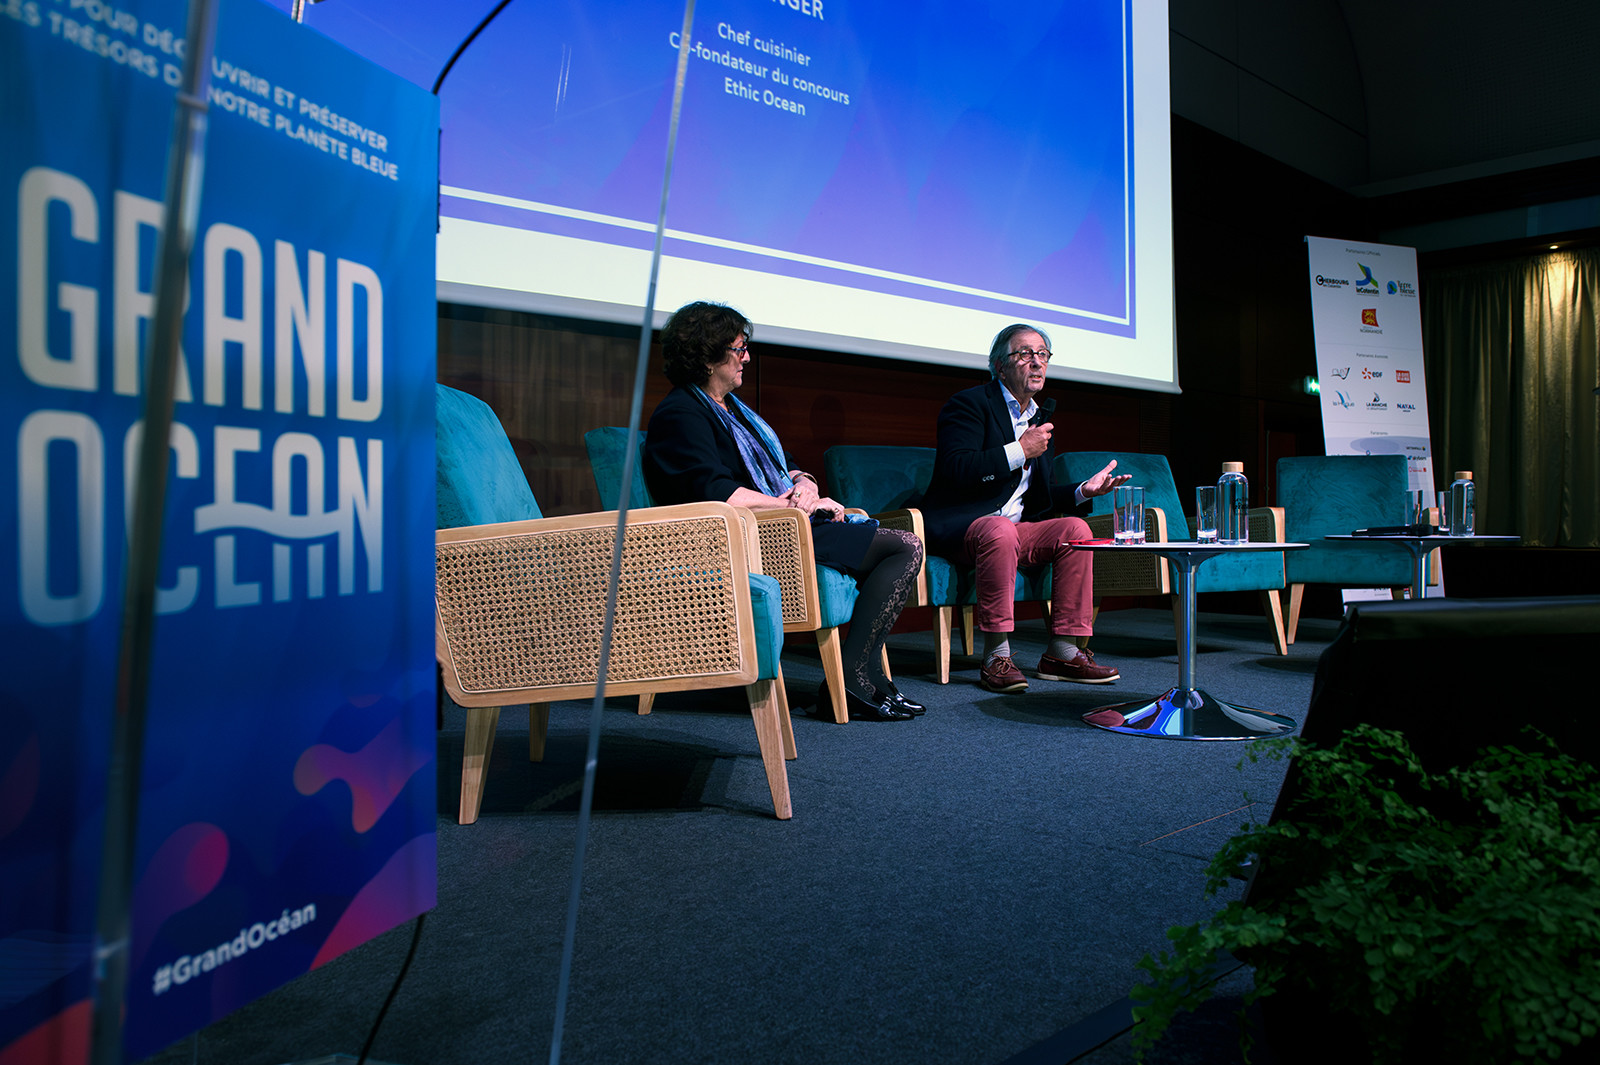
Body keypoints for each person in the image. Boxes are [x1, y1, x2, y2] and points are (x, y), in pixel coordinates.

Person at [643, 301, 926, 722]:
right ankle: (851, 680)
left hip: (781, 524)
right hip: (746, 537)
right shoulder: (680, 414)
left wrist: (805, 483)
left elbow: (781, 464)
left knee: (894, 543)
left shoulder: (733, 410)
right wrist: (791, 504)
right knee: (903, 547)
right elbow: (712, 492)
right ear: (707, 355)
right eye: (739, 348)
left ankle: (861, 677)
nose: (747, 357)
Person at [915, 323, 1129, 693]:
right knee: (999, 529)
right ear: (1000, 366)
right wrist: (1020, 450)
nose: (1036, 362)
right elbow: (956, 469)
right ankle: (997, 655)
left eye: (1042, 354)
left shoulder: (1037, 419)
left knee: (1076, 530)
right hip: (964, 526)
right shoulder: (969, 404)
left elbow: (1040, 497)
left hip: (1015, 529)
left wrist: (1083, 491)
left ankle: (1062, 651)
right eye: (1025, 354)